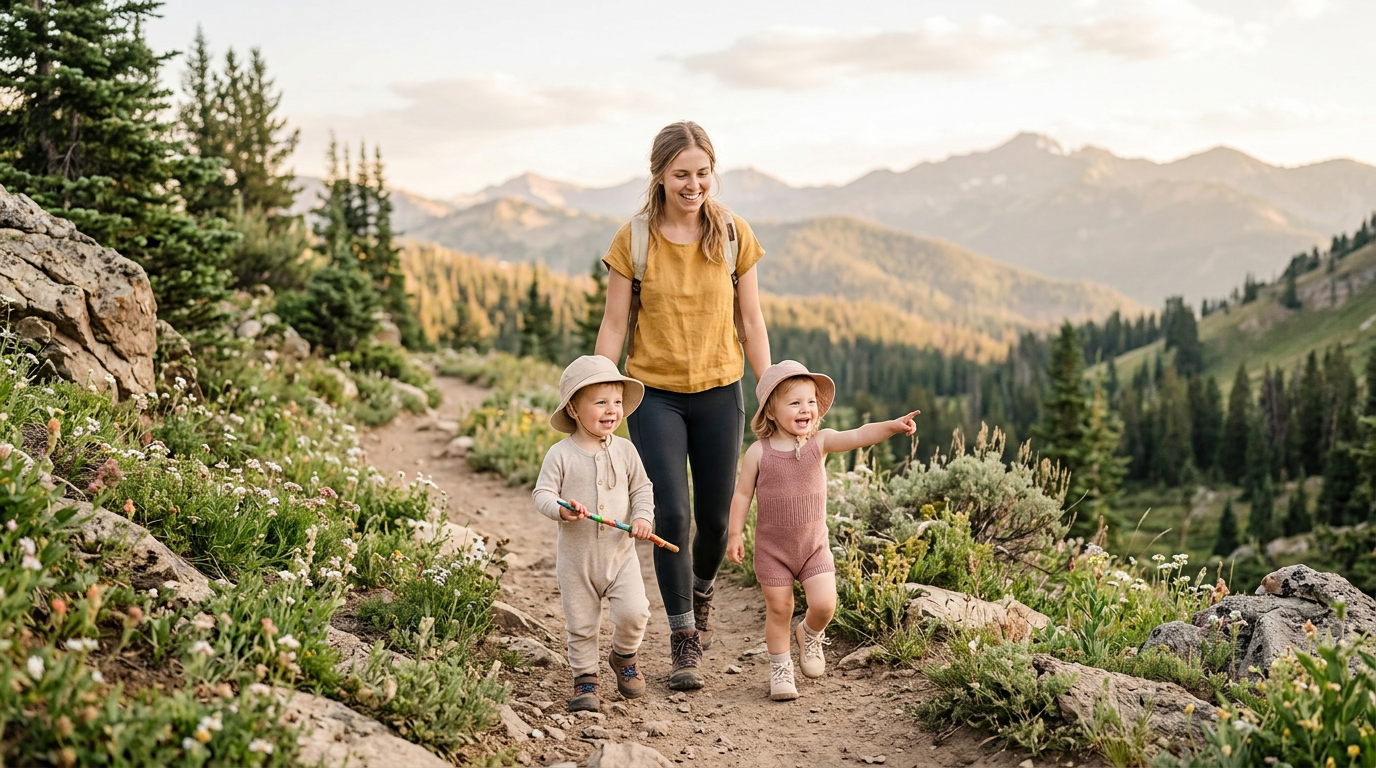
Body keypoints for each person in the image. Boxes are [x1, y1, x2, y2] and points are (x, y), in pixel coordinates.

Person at [596, 121, 771, 690]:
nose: (694, 184)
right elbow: (616, 323)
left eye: (702, 173)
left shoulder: (732, 234)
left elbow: (751, 321)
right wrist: (600, 390)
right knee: (671, 514)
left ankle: (702, 591)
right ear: (661, 176)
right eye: (681, 174)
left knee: (717, 520)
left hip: (721, 392)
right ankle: (682, 636)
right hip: (654, 395)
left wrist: (767, 386)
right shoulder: (636, 239)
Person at [726, 360, 918, 701]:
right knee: (779, 608)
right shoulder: (759, 452)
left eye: (811, 402)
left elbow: (859, 435)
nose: (806, 409)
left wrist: (890, 426)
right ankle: (780, 668)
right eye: (795, 402)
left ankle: (810, 634)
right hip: (773, 552)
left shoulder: (821, 443)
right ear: (770, 411)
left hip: (813, 547)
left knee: (826, 605)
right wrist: (735, 534)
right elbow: (742, 494)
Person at [532, 355, 656, 712]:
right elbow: (541, 494)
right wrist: (561, 509)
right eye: (600, 402)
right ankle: (585, 678)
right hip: (577, 561)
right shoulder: (560, 455)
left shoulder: (626, 449)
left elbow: (641, 488)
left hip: (620, 555)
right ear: (573, 407)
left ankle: (624, 656)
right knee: (581, 622)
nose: (611, 410)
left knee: (636, 612)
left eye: (617, 402)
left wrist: (644, 516)